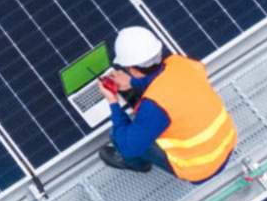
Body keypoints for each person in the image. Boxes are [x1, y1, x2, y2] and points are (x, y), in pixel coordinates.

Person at [98, 27, 237, 183]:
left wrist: (113, 102)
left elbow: (129, 146)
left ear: (132, 69)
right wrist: (132, 82)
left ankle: (139, 165)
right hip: (227, 141)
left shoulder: (154, 106)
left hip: (200, 168)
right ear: (158, 53)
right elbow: (172, 82)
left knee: (117, 135)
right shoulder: (182, 63)